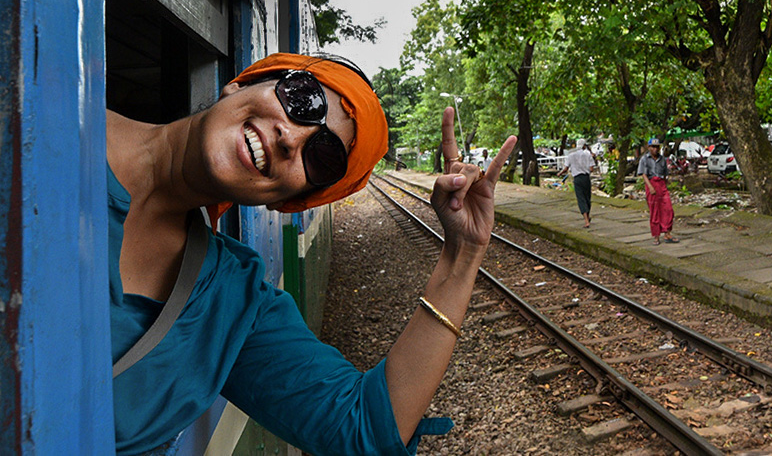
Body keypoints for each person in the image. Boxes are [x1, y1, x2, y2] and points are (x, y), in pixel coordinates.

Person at [107, 52, 517, 455]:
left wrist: (462, 256)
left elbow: (364, 430)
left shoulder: (230, 301)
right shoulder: (52, 106)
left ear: (291, 199)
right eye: (302, 99)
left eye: (322, 158)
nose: (292, 138)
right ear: (241, 84)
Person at [637, 138, 678, 245]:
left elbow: (665, 174)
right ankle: (656, 236)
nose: (655, 149)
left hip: (661, 185)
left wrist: (665, 186)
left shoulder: (662, 159)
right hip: (651, 183)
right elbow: (643, 174)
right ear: (649, 147)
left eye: (657, 147)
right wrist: (650, 187)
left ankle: (667, 233)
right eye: (653, 147)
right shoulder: (644, 159)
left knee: (668, 209)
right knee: (655, 211)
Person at [561, 138, 597, 228]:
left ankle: (586, 221)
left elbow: (565, 168)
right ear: (584, 145)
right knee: (587, 197)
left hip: (577, 178)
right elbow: (591, 169)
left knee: (581, 198)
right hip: (586, 178)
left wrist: (559, 173)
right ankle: (587, 217)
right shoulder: (587, 154)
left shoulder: (571, 155)